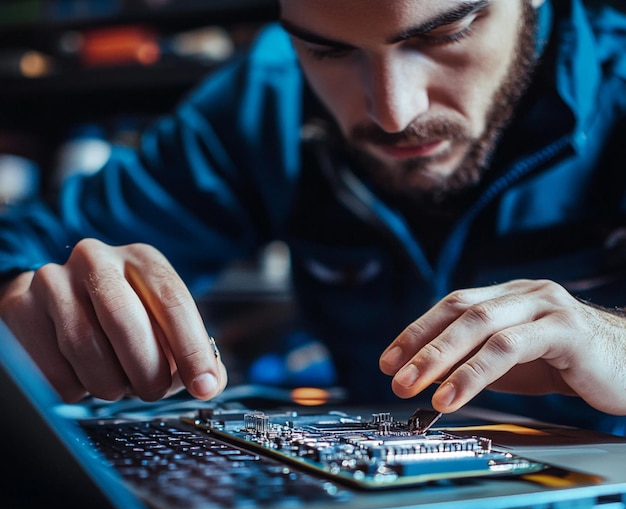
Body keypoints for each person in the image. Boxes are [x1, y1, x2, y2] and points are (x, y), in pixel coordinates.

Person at [0, 0, 625, 429]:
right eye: (328, 52)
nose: (393, 114)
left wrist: (610, 340)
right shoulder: (264, 101)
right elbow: (23, 242)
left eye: (442, 35)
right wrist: (24, 300)